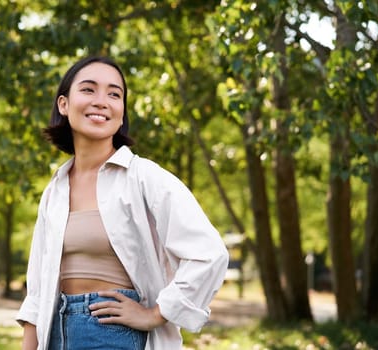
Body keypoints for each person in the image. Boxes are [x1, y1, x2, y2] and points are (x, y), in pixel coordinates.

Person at [16, 56, 229, 350]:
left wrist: (155, 314)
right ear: (63, 104)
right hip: (54, 332)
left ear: (122, 111)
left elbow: (209, 253)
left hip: (111, 334)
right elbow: (38, 291)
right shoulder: (55, 189)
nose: (102, 101)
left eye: (114, 94)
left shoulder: (144, 177)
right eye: (89, 90)